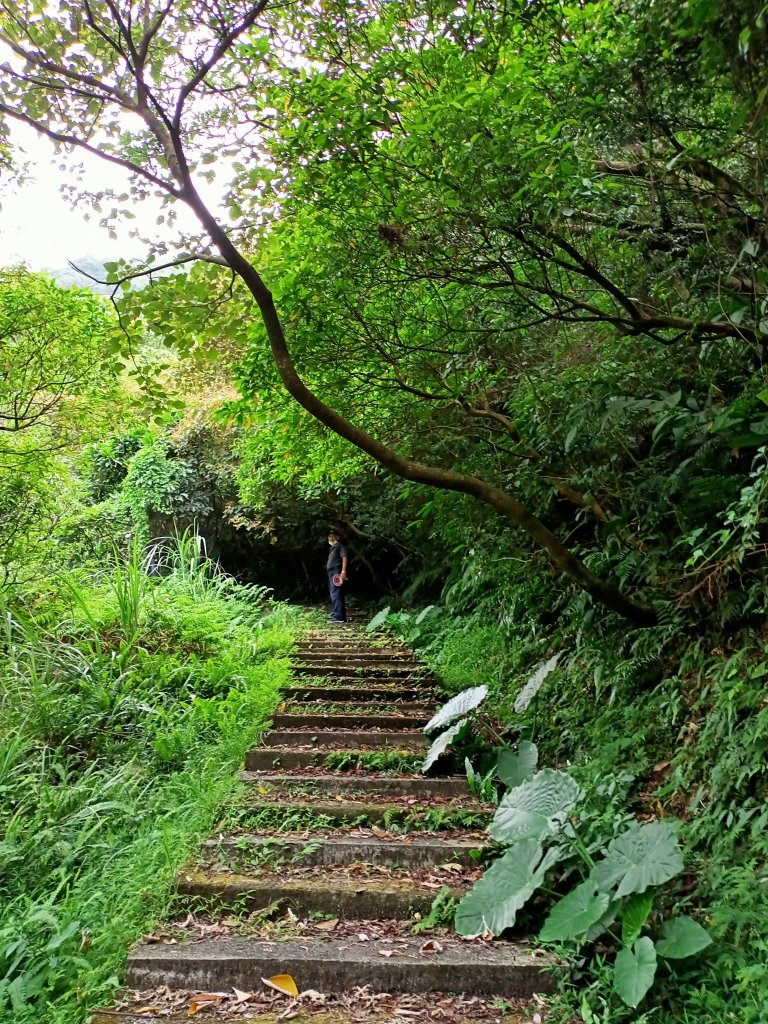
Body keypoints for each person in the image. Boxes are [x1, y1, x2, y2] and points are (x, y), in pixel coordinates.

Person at [326, 528, 348, 623]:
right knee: (335, 593)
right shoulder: (333, 548)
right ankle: (340, 616)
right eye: (329, 536)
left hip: (336, 571)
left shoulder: (339, 546)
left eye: (332, 536)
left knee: (336, 593)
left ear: (337, 537)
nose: (330, 538)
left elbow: (344, 557)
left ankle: (338, 617)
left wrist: (343, 572)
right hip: (331, 572)